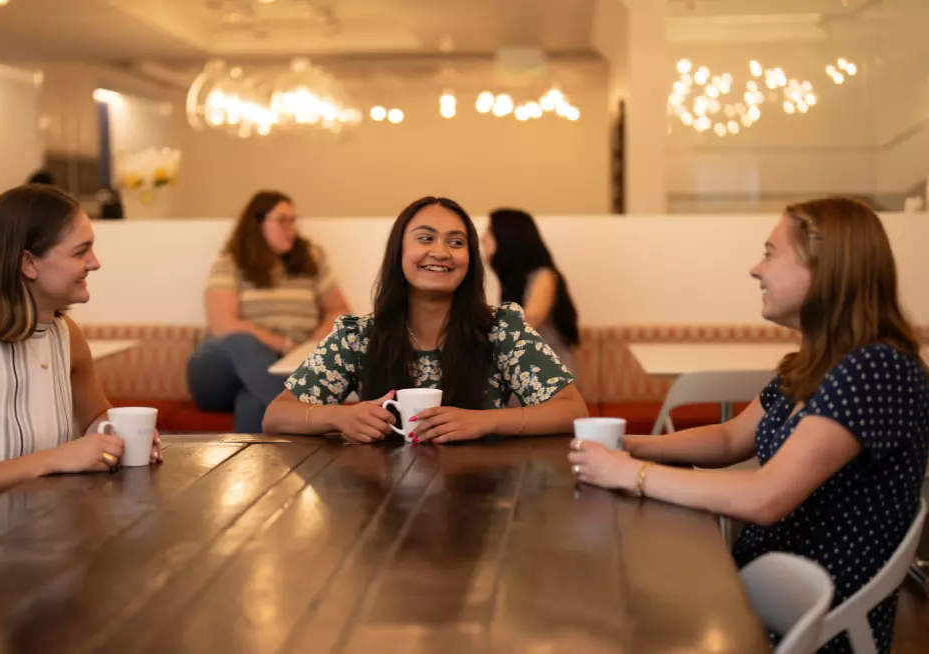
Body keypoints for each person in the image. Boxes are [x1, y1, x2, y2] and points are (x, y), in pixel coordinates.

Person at [568, 198, 928, 654]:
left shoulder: (878, 369)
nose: (756, 269)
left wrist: (629, 473)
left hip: (812, 622)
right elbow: (729, 437)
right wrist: (627, 444)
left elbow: (764, 499)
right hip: (755, 589)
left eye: (771, 253)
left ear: (828, 267)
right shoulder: (812, 364)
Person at [262, 196, 588, 443]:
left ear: (470, 260)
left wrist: (485, 421)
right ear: (399, 252)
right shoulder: (358, 336)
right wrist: (337, 417)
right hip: (378, 502)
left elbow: (571, 410)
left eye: (456, 242)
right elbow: (277, 414)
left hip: (483, 498)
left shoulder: (501, 329)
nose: (441, 251)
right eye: (425, 238)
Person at [0, 184, 163, 526]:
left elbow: (95, 418)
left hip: (38, 537)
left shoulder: (65, 333)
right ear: (28, 263)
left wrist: (121, 435)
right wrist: (53, 459)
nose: (95, 263)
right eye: (80, 251)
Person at [187, 191, 349, 433]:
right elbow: (222, 324)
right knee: (241, 341)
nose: (290, 228)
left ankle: (255, 470)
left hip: (267, 372)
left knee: (251, 401)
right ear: (258, 223)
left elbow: (339, 310)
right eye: (282, 220)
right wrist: (282, 344)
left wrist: (312, 344)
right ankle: (307, 412)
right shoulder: (231, 263)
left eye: (293, 221)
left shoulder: (311, 259)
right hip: (218, 371)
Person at [482, 208, 580, 371]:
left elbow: (528, 322)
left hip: (548, 372)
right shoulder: (512, 280)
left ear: (507, 237)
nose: (483, 239)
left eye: (489, 232)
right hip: (526, 367)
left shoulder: (543, 276)